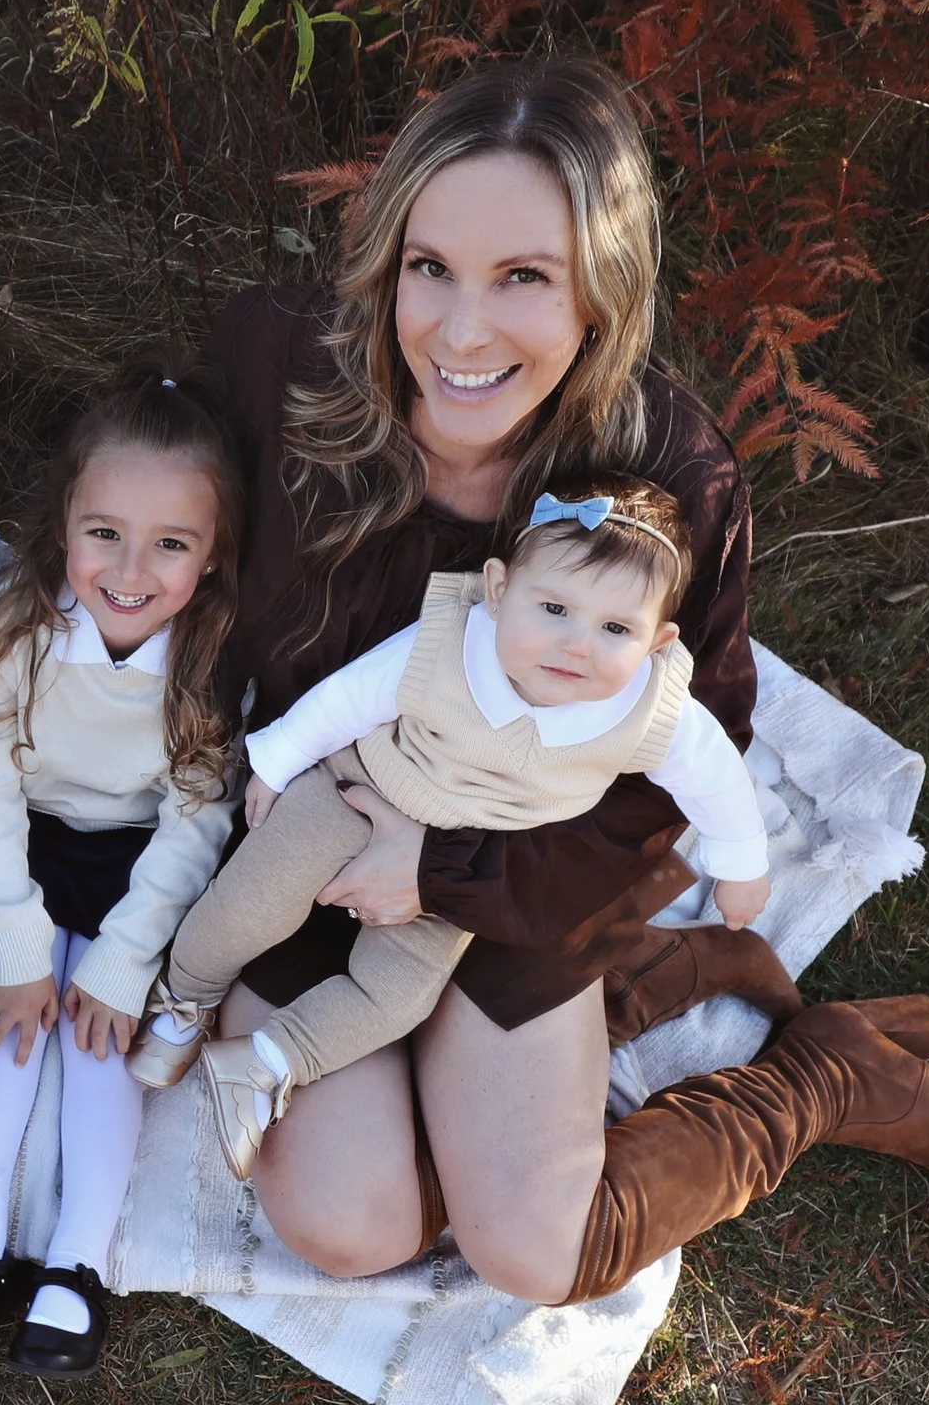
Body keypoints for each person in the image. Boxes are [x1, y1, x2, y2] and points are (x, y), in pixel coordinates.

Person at [200, 56, 929, 1314]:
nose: (462, 332)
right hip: (317, 848)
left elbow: (677, 759)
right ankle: (632, 1000)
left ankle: (822, 1078)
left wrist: (442, 871)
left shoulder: (667, 477)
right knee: (346, 1223)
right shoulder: (278, 369)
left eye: (522, 276)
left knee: (533, 1250)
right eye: (431, 268)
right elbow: (162, 528)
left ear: (601, 288)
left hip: (523, 865)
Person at [143, 474, 772, 1180]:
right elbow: (352, 697)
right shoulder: (452, 640)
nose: (577, 645)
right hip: (361, 786)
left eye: (615, 629)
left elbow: (715, 776)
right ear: (499, 590)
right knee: (256, 897)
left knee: (400, 995)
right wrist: (280, 760)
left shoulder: (649, 707)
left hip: (458, 865)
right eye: (555, 607)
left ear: (657, 642)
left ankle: (263, 1061)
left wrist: (740, 864)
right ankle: (187, 994)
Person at [0, 363, 242, 1380]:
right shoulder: (15, 632)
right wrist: (15, 946)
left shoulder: (209, 658)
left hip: (138, 854)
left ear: (213, 554)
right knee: (4, 1016)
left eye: (171, 544)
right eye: (104, 532)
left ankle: (75, 1264)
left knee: (99, 1037)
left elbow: (196, 822)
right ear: (62, 524)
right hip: (21, 831)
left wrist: (123, 961)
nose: (130, 570)